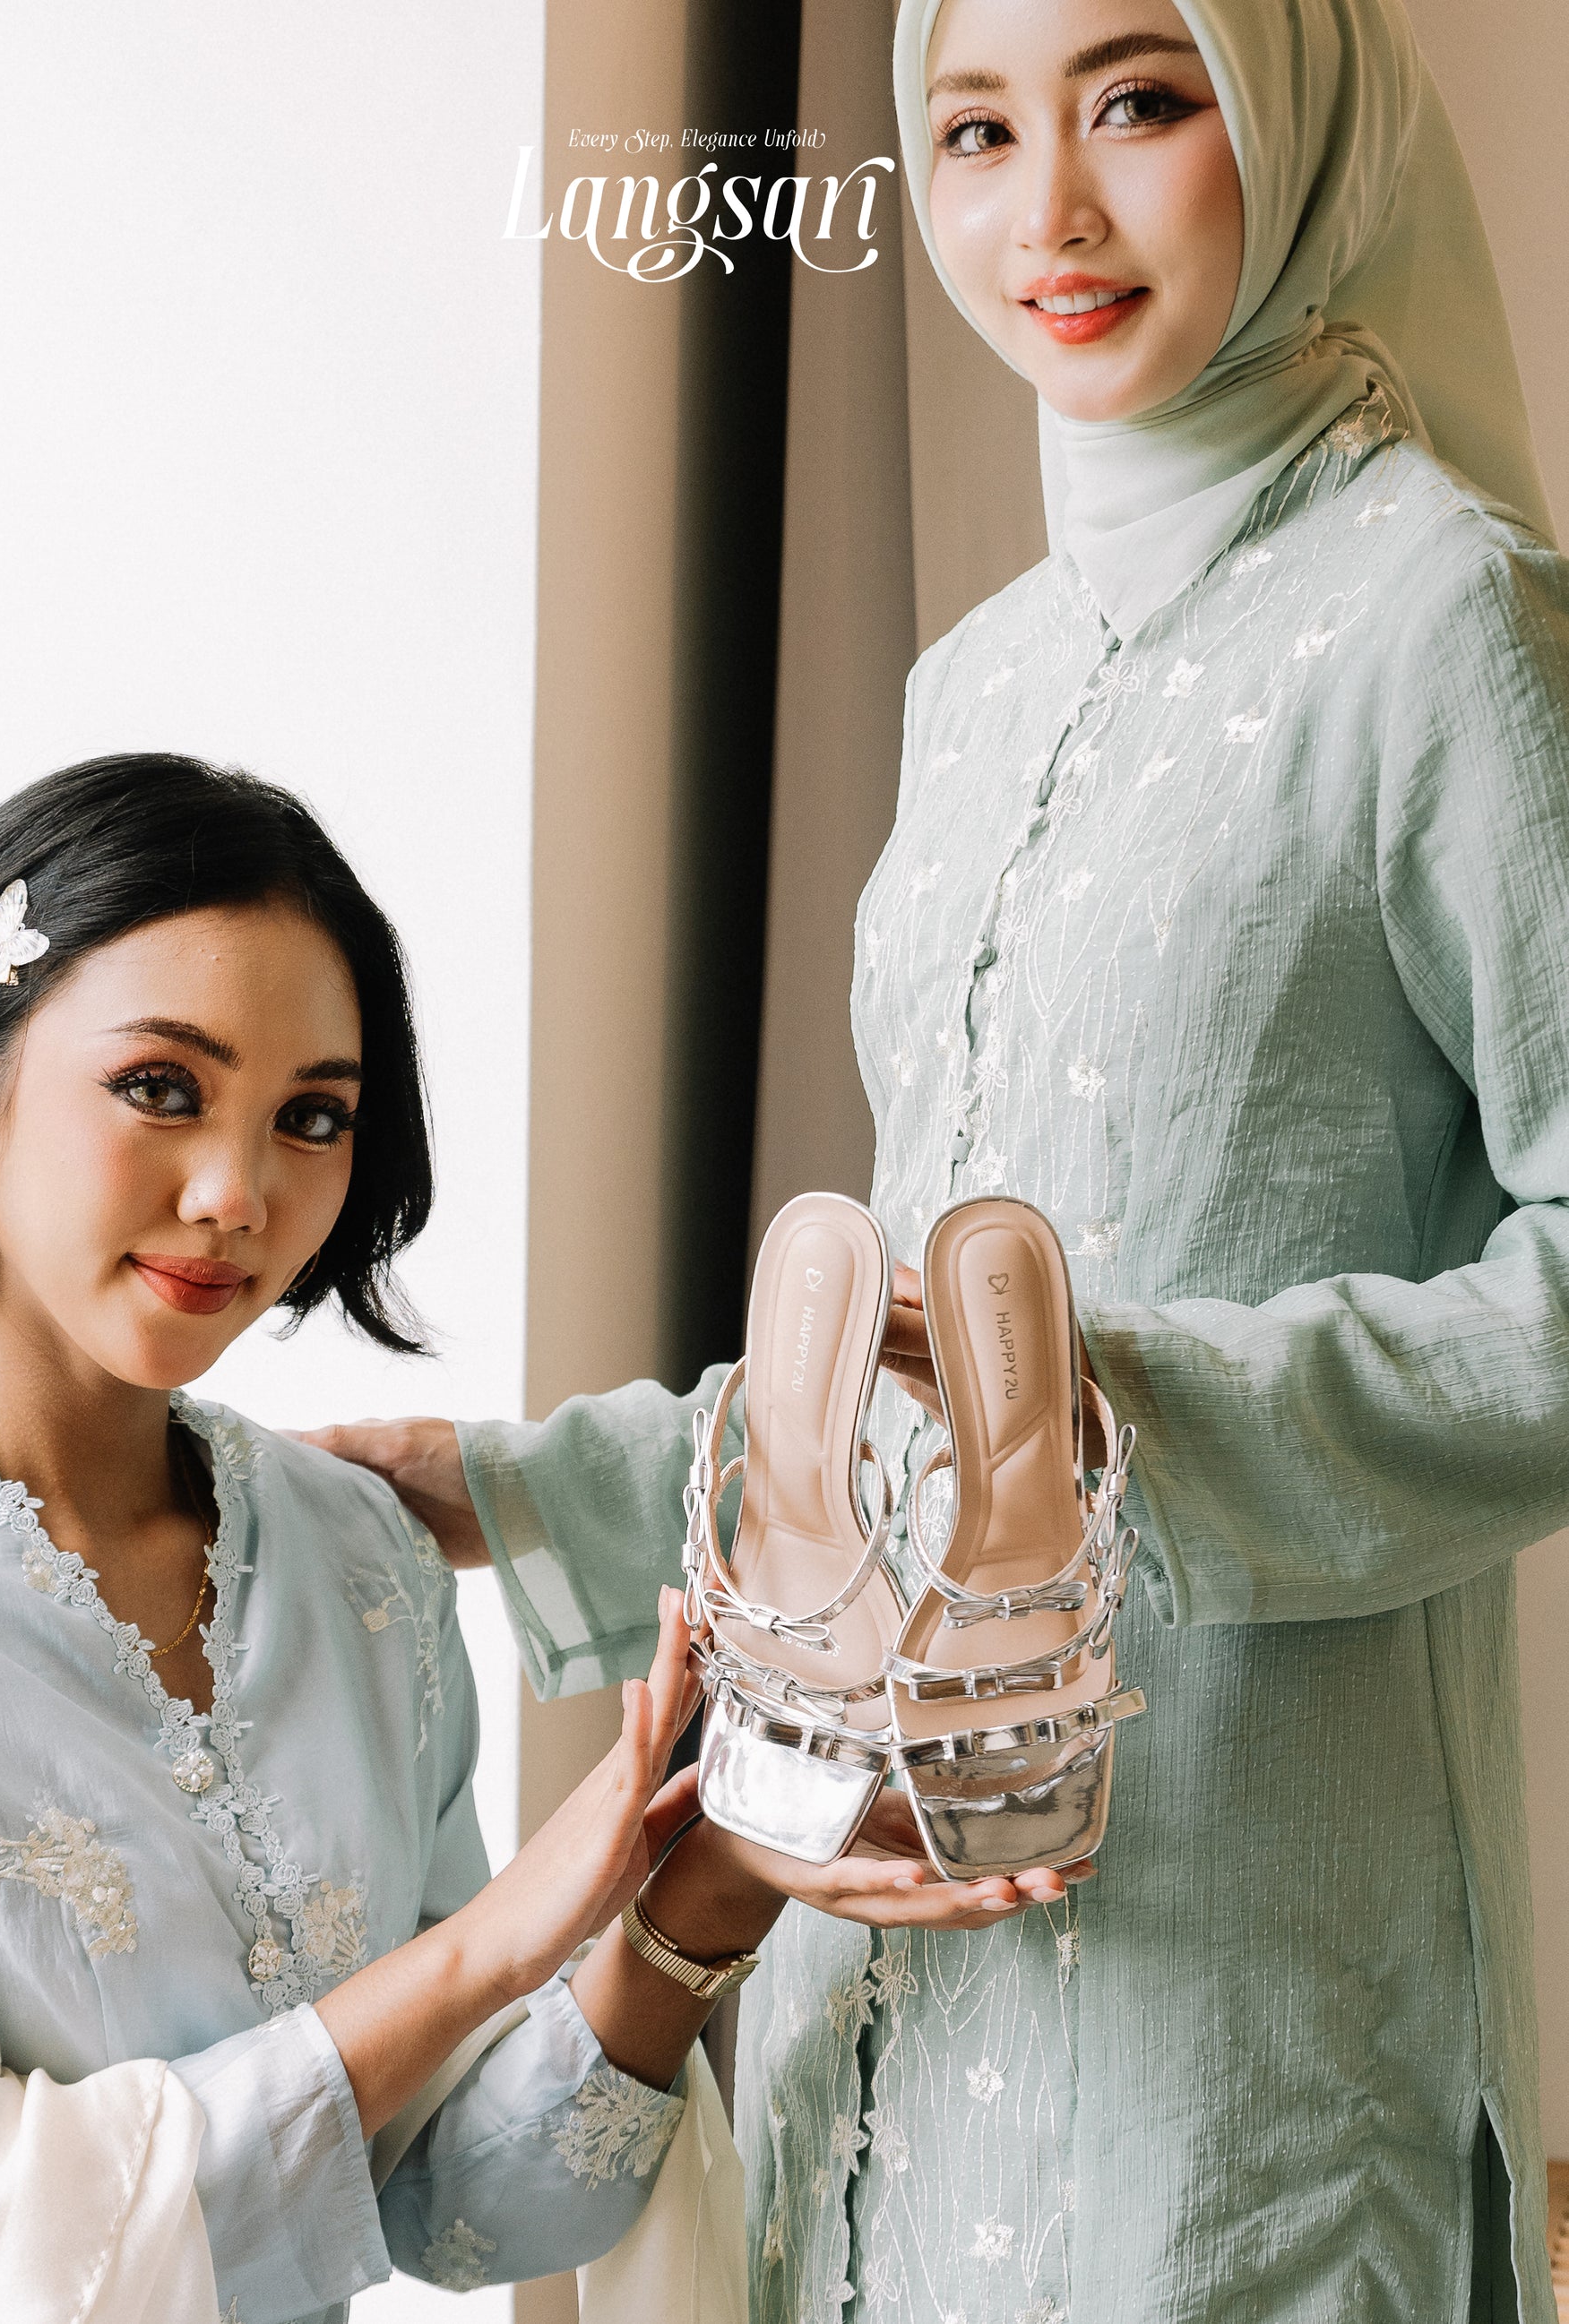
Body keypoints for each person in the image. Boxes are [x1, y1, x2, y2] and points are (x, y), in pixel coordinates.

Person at [310, 0, 1569, 2315]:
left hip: (1249, 1971)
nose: (1046, 214)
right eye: (972, 133)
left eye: (1140, 103)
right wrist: (497, 1488)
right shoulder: (973, 682)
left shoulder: (1441, 617)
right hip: (880, 1911)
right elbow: (897, 1351)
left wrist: (1110, 1432)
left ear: (1295, 117)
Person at [0, 751, 829, 2323]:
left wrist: (701, 1891)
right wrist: (484, 1949)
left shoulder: (361, 1560)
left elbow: (455, 2203)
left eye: (311, 1117)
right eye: (162, 1086)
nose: (237, 1193)